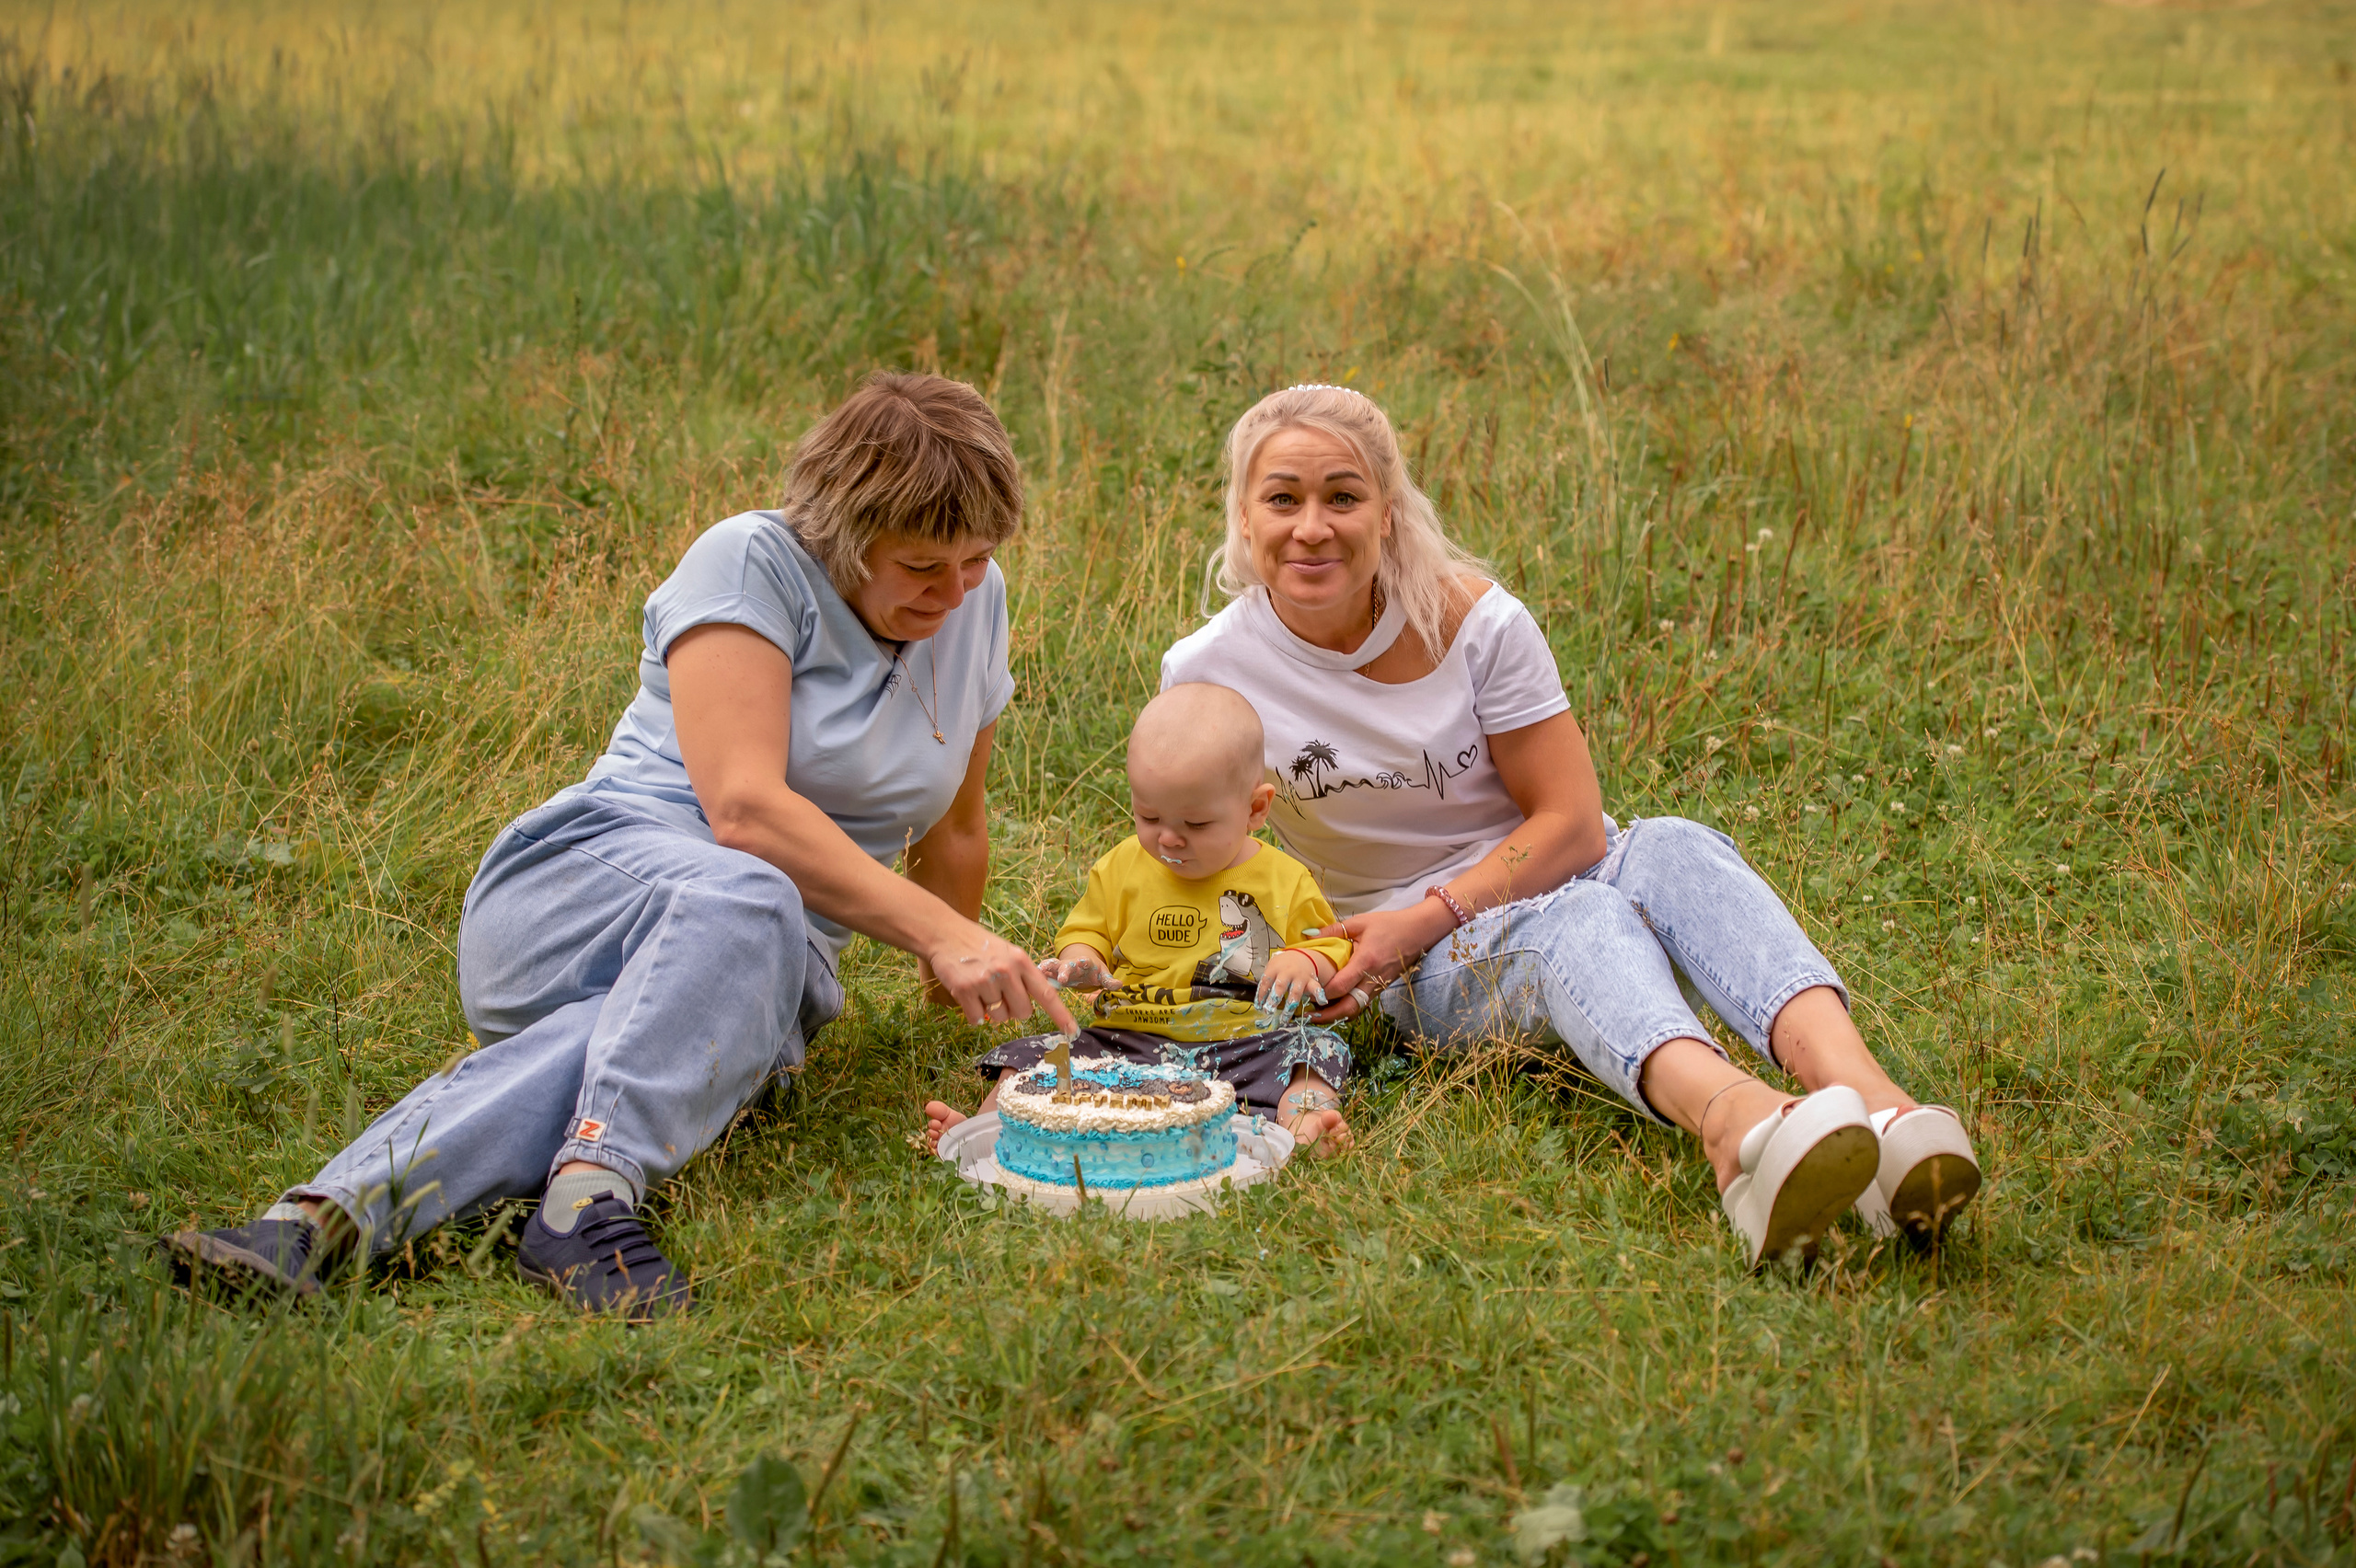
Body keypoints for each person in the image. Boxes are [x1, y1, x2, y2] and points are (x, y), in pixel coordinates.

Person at [165, 372, 1076, 1317]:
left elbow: (956, 826)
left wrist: (958, 991)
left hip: (747, 979)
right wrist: (938, 935)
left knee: (618, 1038)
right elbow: (744, 811)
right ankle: (591, 1195)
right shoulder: (750, 560)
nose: (956, 588)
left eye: (976, 558)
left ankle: (314, 1225)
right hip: (588, 888)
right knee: (752, 891)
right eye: (924, 565)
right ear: (845, 531)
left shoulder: (976, 601)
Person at [1160, 383, 1981, 1270]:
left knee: (1672, 841)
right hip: (1410, 957)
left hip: (1507, 889)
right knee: (1581, 924)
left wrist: (1427, 913)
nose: (1312, 526)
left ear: (1387, 514)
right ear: (1244, 518)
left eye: (1343, 497)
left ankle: (1881, 1114)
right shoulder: (1210, 671)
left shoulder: (1474, 623)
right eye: (1283, 498)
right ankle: (1739, 1128)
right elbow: (1191, 851)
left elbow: (1577, 827)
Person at [923, 682, 1357, 1158]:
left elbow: (1332, 944)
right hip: (1128, 1044)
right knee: (1035, 1060)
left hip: (1246, 1046)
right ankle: (987, 1129)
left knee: (1314, 1053)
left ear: (1255, 808)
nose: (1169, 839)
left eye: (1195, 825)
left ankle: (1307, 1125)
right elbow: (1087, 932)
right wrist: (1082, 961)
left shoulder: (1284, 879)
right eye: (1148, 817)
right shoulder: (1122, 866)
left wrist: (1306, 961)